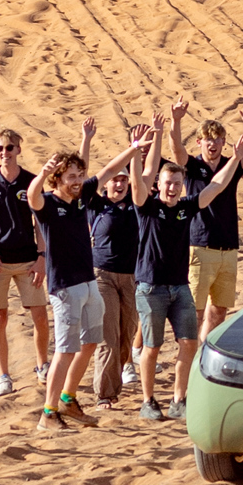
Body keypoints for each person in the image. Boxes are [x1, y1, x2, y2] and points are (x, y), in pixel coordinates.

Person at [27, 124, 150, 430]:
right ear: (58, 179)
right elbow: (32, 197)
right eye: (71, 177)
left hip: (88, 282)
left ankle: (68, 399)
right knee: (66, 349)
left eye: (80, 176)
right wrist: (42, 174)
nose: (78, 181)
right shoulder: (49, 204)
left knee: (91, 343)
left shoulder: (82, 199)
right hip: (65, 287)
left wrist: (134, 149)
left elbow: (109, 170)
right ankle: (48, 411)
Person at [131, 113, 243, 420]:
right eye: (167, 183)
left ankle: (178, 399)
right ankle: (148, 401)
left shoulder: (186, 208)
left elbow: (216, 186)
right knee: (153, 347)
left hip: (179, 287)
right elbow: (138, 180)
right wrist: (138, 150)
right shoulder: (148, 207)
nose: (172, 188)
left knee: (187, 342)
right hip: (151, 287)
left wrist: (235, 159)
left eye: (176, 183)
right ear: (158, 185)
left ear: (182, 185)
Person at [169, 101, 243, 342]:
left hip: (228, 246)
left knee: (220, 309)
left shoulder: (230, 165)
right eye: (208, 139)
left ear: (224, 142)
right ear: (200, 142)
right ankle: (189, 351)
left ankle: (203, 349)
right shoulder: (192, 166)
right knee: (196, 310)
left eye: (218, 139)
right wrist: (176, 121)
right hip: (200, 245)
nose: (213, 144)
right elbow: (177, 150)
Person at [0, 127, 51, 398]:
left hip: (28, 259)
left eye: (9, 148)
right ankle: (4, 376)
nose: (4, 153)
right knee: (0, 317)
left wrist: (42, 258)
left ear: (19, 149)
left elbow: (39, 224)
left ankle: (42, 366)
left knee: (40, 316)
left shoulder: (31, 181)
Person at [86, 127, 150, 411]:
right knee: (109, 337)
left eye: (124, 179)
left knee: (126, 337)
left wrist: (142, 150)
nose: (120, 184)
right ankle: (104, 394)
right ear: (107, 184)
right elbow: (90, 175)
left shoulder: (136, 204)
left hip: (132, 276)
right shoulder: (96, 205)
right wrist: (130, 147)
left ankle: (114, 386)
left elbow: (143, 179)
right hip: (102, 276)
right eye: (115, 180)